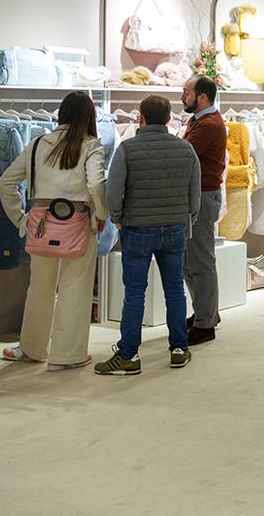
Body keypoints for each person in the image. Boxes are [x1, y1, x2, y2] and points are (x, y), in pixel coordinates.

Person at [0, 92, 109, 371]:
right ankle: (66, 356)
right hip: (79, 223)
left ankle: (32, 349)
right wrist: (103, 215)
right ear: (88, 117)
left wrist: (21, 219)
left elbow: (6, 183)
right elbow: (96, 184)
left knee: (39, 288)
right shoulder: (91, 145)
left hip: (40, 224)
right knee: (75, 288)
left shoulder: (37, 144)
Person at [97, 95, 200, 375]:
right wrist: (187, 218)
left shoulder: (128, 149)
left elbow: (113, 190)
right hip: (175, 228)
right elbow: (195, 194)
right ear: (169, 118)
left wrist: (116, 218)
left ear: (140, 117)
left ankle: (128, 355)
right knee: (174, 290)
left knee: (134, 293)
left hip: (138, 228)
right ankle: (179, 348)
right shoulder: (185, 148)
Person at [179, 74, 227, 346]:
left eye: (187, 92)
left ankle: (205, 322)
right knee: (191, 261)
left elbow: (185, 155)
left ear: (203, 97)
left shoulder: (208, 124)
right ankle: (205, 314)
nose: (183, 96)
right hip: (198, 196)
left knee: (200, 261)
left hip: (203, 197)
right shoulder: (199, 121)